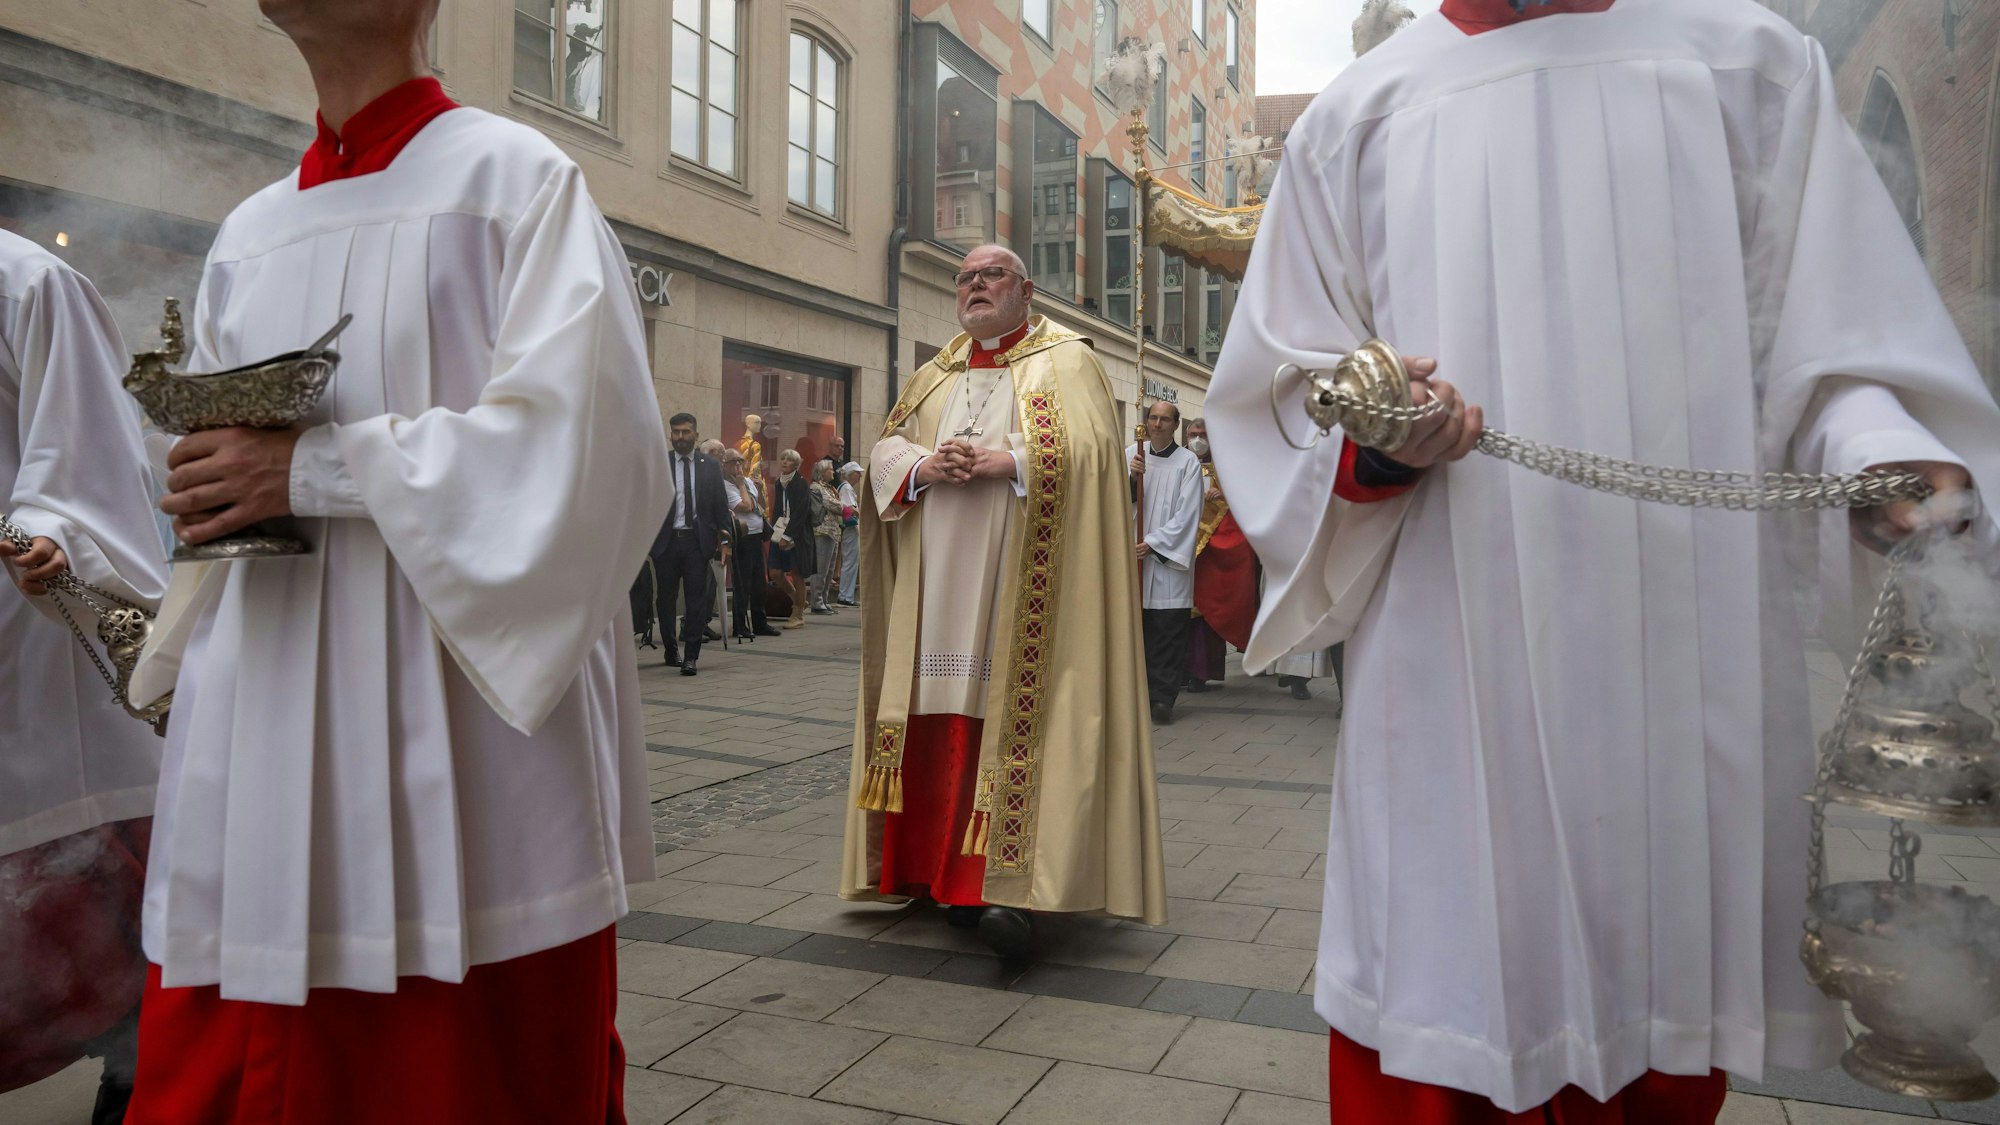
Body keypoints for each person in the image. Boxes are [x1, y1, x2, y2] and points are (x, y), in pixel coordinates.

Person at [1206, 1, 2000, 1121]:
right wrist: (1376, 441)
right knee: (1442, 1016)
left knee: (1657, 1019)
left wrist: (1881, 459)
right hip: (1451, 656)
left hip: (1682, 661)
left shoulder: (1747, 63)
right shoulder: (1355, 115)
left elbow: (1829, 349)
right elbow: (1278, 398)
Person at [123, 0, 673, 1117]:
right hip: (265, 706)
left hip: (456, 741)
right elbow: (225, 457)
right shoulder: (249, 229)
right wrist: (193, 487)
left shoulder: (516, 179)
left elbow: (594, 452)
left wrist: (313, 472)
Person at [838, 244, 1166, 960]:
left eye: (992, 276)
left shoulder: (1067, 360)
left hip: (1022, 593)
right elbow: (884, 450)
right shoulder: (935, 371)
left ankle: (1006, 888)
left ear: (1026, 289)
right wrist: (924, 465)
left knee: (1012, 722)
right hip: (935, 587)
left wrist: (1010, 460)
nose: (975, 286)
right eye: (966, 277)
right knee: (933, 719)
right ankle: (933, 872)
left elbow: (1092, 455)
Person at [0, 230, 169, 1125]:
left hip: (35, 644)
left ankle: (137, 1089)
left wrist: (51, 528)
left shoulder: (28, 282)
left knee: (104, 925)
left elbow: (84, 456)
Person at [1126, 400, 1205, 725]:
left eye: (1165, 419)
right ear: (1146, 422)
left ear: (1175, 425)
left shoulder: (1188, 463)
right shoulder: (1131, 454)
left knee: (1167, 633)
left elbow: (1189, 514)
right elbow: (1110, 499)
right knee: (1135, 631)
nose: (1158, 424)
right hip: (1132, 557)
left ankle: (1162, 699)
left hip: (1165, 562)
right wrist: (1132, 480)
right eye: (1153, 418)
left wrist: (1154, 544)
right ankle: (1135, 696)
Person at [644, 413, 729, 674]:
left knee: (696, 600)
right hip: (666, 543)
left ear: (696, 433)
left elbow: (720, 506)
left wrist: (725, 540)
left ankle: (691, 656)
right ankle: (671, 649)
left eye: (685, 432)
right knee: (665, 600)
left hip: (696, 542)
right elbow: (645, 502)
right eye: (676, 432)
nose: (680, 437)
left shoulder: (710, 466)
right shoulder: (661, 463)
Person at [1182, 417, 1237, 693]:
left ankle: (1200, 671)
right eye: (1193, 433)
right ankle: (1179, 669)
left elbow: (1240, 501)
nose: (1197, 439)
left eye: (1202, 434)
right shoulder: (1180, 462)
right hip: (1180, 544)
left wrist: (1222, 496)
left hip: (1210, 548)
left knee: (1204, 611)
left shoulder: (1225, 466)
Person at [722, 448, 778, 639]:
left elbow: (758, 505)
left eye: (740, 462)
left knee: (759, 584)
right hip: (742, 538)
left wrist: (758, 488)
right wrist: (742, 486)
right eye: (733, 462)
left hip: (756, 536)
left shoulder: (745, 481)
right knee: (742, 583)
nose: (738, 466)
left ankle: (760, 623)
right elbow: (745, 506)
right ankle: (740, 625)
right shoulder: (728, 484)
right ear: (725, 464)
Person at [769, 449, 815, 630]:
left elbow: (801, 512)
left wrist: (788, 535)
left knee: (797, 573)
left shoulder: (801, 483)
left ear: (796, 465)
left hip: (798, 533)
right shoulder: (779, 482)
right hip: (779, 529)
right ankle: (797, 599)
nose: (785, 462)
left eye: (789, 460)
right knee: (774, 572)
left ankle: (798, 614)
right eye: (783, 459)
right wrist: (774, 532)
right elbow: (778, 509)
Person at [808, 459, 843, 615]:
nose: (833, 472)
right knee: (821, 569)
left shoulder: (830, 488)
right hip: (822, 531)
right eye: (830, 469)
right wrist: (849, 509)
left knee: (829, 570)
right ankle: (816, 602)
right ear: (822, 473)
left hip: (833, 532)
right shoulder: (816, 488)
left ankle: (824, 599)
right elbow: (831, 504)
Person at [836, 461, 862, 606]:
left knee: (850, 561)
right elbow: (851, 509)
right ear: (851, 475)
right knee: (850, 561)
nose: (859, 477)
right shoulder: (847, 488)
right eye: (858, 473)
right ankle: (846, 595)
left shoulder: (844, 487)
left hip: (849, 528)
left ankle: (847, 594)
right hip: (851, 529)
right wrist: (860, 512)